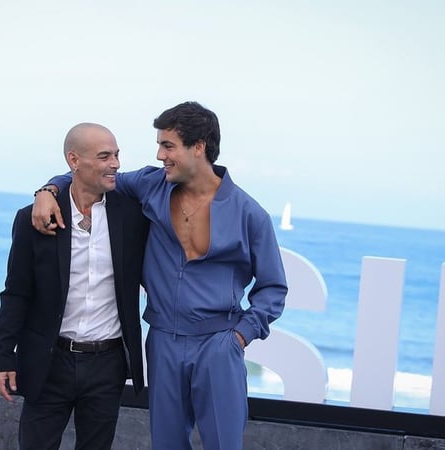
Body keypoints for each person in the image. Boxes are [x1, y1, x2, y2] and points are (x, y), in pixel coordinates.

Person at [30, 102, 288, 450]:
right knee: (166, 444)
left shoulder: (250, 214)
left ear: (198, 147)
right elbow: (91, 175)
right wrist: (48, 191)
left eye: (168, 146)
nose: (159, 155)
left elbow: (273, 287)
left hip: (218, 342)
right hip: (163, 340)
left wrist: (240, 337)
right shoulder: (151, 185)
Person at [0, 122, 149, 450]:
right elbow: (16, 293)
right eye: (104, 156)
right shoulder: (34, 219)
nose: (116, 164)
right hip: (49, 362)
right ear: (74, 160)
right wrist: (3, 357)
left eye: (116, 155)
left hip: (107, 364)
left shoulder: (134, 217)